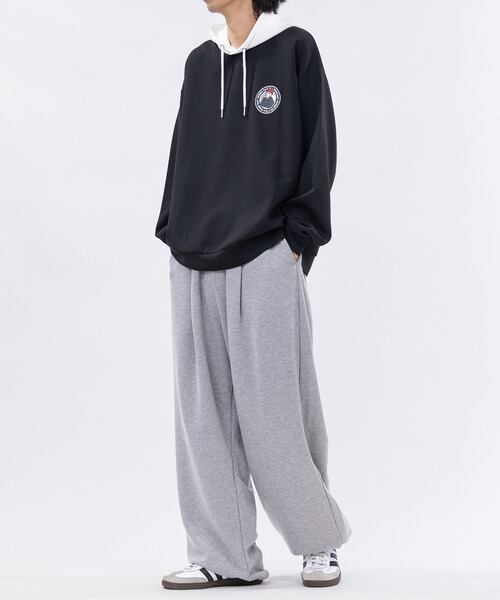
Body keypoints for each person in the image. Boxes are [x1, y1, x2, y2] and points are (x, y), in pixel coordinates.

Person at [155, 0, 351, 590]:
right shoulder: (200, 62)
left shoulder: (294, 48)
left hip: (268, 250)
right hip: (193, 255)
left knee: (277, 408)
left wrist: (300, 237)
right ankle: (224, 556)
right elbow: (183, 153)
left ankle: (317, 541)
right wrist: (172, 230)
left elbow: (319, 144)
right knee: (202, 415)